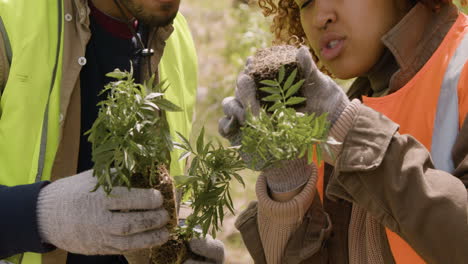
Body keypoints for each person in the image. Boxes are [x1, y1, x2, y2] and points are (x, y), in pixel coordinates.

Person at [219, 0, 468, 263]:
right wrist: (286, 183)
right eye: (304, 3)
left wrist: (348, 128)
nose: (320, 18)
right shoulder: (340, 115)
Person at [0, 0, 224, 263]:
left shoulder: (176, 36)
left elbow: (166, 183)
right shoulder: (10, 17)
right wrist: (40, 216)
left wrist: (178, 247)